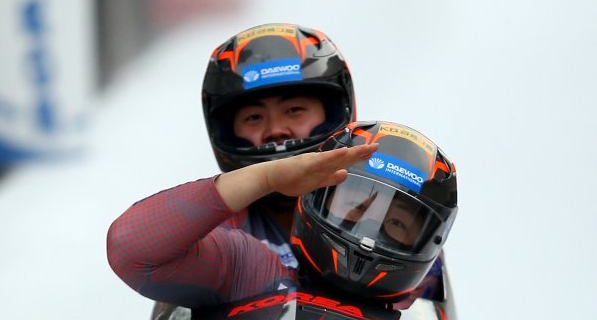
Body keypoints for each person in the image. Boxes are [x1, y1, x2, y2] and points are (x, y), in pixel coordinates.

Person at [107, 121, 457, 310]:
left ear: (427, 241)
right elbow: (131, 250)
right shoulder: (252, 270)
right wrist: (266, 177)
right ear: (313, 197)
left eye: (395, 223)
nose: (368, 230)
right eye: (356, 205)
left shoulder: (421, 308)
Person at [201, 22, 355, 258]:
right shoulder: (207, 240)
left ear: (335, 112)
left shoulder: (386, 206)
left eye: (294, 110)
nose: (275, 130)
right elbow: (133, 248)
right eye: (254, 117)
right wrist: (266, 179)